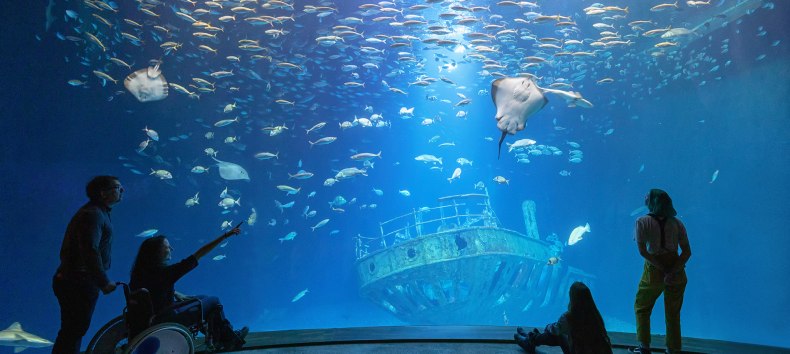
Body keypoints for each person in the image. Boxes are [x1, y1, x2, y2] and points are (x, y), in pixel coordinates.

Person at [129, 224, 248, 352]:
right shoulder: (165, 273)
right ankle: (229, 339)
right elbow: (198, 254)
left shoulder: (140, 273)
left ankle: (221, 337)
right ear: (157, 252)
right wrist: (225, 235)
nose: (172, 249)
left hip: (151, 320)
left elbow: (155, 290)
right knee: (214, 300)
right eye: (167, 247)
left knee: (203, 298)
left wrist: (175, 293)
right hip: (166, 319)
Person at [52, 176, 123, 354]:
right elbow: (90, 250)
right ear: (103, 193)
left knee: (74, 330)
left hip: (78, 280)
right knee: (74, 330)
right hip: (78, 281)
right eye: (117, 187)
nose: (122, 190)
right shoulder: (93, 214)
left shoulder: (99, 212)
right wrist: (103, 281)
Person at [633, 189, 692, 354]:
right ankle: (673, 349)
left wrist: (662, 268)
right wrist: (673, 270)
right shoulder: (678, 223)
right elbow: (687, 251)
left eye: (648, 196)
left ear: (653, 203)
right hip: (677, 271)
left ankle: (644, 347)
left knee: (642, 307)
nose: (645, 198)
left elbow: (643, 251)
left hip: (653, 270)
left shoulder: (641, 222)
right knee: (673, 313)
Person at [514, 282, 612, 354]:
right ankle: (532, 338)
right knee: (560, 332)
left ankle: (531, 339)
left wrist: (548, 326)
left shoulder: (569, 317)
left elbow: (554, 330)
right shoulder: (595, 315)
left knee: (558, 334)